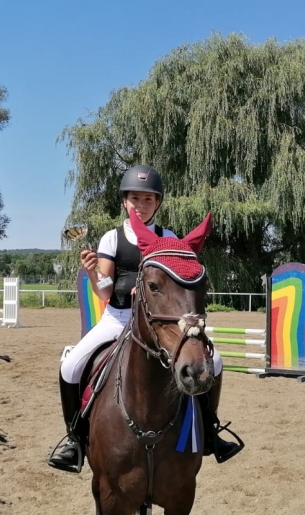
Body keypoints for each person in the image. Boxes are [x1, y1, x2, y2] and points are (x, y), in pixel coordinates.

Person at [48, 164, 243, 473]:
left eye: (148, 200)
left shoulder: (169, 238)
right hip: (119, 317)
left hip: (162, 321)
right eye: (135, 199)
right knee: (70, 365)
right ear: (125, 201)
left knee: (214, 361)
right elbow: (105, 291)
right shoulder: (112, 239)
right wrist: (91, 271)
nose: (141, 206)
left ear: (158, 203)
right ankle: (74, 439)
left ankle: (211, 432)